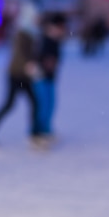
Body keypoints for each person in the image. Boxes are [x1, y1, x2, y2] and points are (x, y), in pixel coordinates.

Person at [0, 2, 40, 149]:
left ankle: (34, 134)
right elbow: (21, 54)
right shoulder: (22, 33)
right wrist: (30, 65)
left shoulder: (30, 31)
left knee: (33, 103)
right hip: (16, 75)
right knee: (10, 104)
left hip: (23, 75)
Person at [31, 12, 68, 149]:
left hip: (50, 77)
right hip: (40, 77)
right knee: (42, 106)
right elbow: (35, 57)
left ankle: (46, 131)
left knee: (50, 105)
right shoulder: (43, 39)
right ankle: (37, 134)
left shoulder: (56, 40)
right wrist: (41, 65)